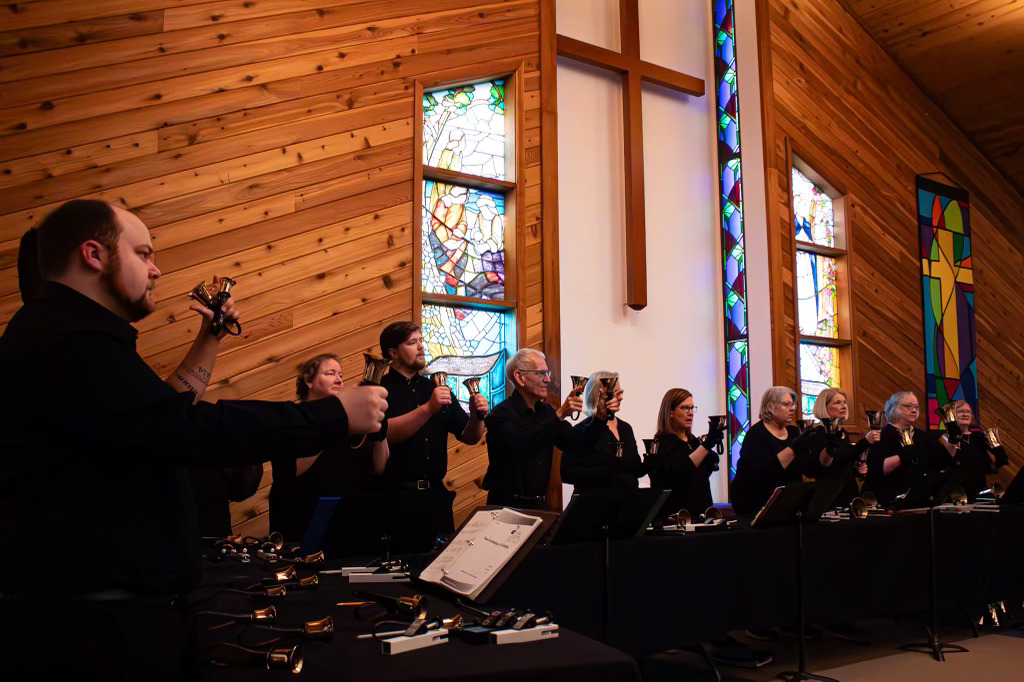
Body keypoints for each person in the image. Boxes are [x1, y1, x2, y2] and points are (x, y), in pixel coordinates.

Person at [0, 199, 387, 679]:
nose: (156, 269)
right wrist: (327, 417)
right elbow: (187, 428)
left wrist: (211, 335)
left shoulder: (77, 339)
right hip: (91, 633)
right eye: (143, 253)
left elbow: (160, 416)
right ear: (93, 255)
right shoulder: (66, 345)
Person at [379, 321, 488, 546]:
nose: (421, 347)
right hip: (396, 499)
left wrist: (477, 416)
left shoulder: (434, 388)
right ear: (393, 353)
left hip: (436, 498)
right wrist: (428, 409)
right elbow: (383, 434)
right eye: (412, 343)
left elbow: (468, 436)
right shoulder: (379, 389)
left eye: (421, 341)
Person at [269, 353, 390, 542]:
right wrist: (333, 414)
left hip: (347, 528)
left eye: (341, 375)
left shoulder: (348, 421)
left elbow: (379, 468)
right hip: (300, 527)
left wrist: (380, 432)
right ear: (309, 381)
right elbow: (294, 470)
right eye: (330, 374)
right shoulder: (294, 420)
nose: (339, 380)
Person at [484, 349, 605, 509]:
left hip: (539, 505)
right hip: (506, 506)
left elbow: (576, 444)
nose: (547, 379)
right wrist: (559, 415)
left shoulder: (545, 411)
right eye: (541, 373)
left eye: (547, 373)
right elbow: (523, 444)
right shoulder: (500, 414)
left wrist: (600, 417)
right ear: (520, 377)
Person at [730, 386, 821, 517]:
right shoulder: (756, 435)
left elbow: (807, 469)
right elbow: (764, 474)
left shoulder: (794, 432)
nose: (793, 409)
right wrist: (793, 448)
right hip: (759, 507)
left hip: (790, 506)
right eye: (786, 404)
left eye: (793, 405)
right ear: (770, 406)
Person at [646, 388, 725, 522]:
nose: (690, 413)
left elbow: (705, 468)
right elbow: (683, 467)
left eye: (692, 408)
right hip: (679, 519)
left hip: (703, 515)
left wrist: (711, 446)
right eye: (684, 408)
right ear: (670, 412)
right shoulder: (663, 442)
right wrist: (707, 445)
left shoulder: (693, 441)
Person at [864, 391, 955, 504]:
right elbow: (878, 469)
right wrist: (903, 456)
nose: (913, 410)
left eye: (916, 407)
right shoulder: (882, 435)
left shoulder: (922, 436)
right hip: (889, 500)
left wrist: (953, 438)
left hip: (917, 499)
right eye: (908, 406)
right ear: (894, 407)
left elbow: (943, 462)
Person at [560, 371, 645, 492]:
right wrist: (605, 472)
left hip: (626, 504)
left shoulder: (625, 428)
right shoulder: (581, 431)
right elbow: (567, 474)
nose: (620, 397)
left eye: (620, 393)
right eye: (615, 393)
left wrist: (650, 463)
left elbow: (634, 469)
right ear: (598, 395)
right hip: (595, 504)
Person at [806, 387, 880, 507]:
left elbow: (844, 460)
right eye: (837, 402)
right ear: (824, 407)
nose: (844, 406)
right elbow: (828, 465)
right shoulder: (818, 433)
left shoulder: (843, 432)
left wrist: (856, 469)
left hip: (849, 490)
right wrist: (864, 442)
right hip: (830, 493)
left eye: (845, 402)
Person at [937, 400, 1008, 498]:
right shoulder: (944, 438)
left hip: (978, 494)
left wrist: (999, 457)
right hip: (956, 495)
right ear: (952, 414)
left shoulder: (980, 438)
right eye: (961, 411)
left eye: (968, 411)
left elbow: (990, 468)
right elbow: (954, 460)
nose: (965, 414)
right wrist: (954, 434)